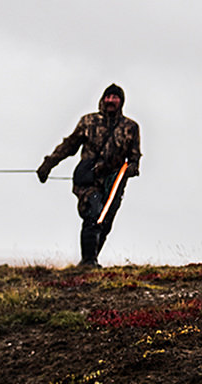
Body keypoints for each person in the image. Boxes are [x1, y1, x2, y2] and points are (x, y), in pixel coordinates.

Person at [37, 83, 142, 268]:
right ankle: (88, 261)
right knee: (94, 214)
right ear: (103, 99)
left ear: (121, 101)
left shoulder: (130, 127)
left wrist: (132, 168)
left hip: (114, 183)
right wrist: (48, 164)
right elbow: (69, 146)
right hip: (88, 179)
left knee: (105, 222)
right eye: (107, 97)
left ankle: (90, 261)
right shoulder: (88, 122)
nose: (110, 100)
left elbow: (134, 157)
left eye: (114, 97)